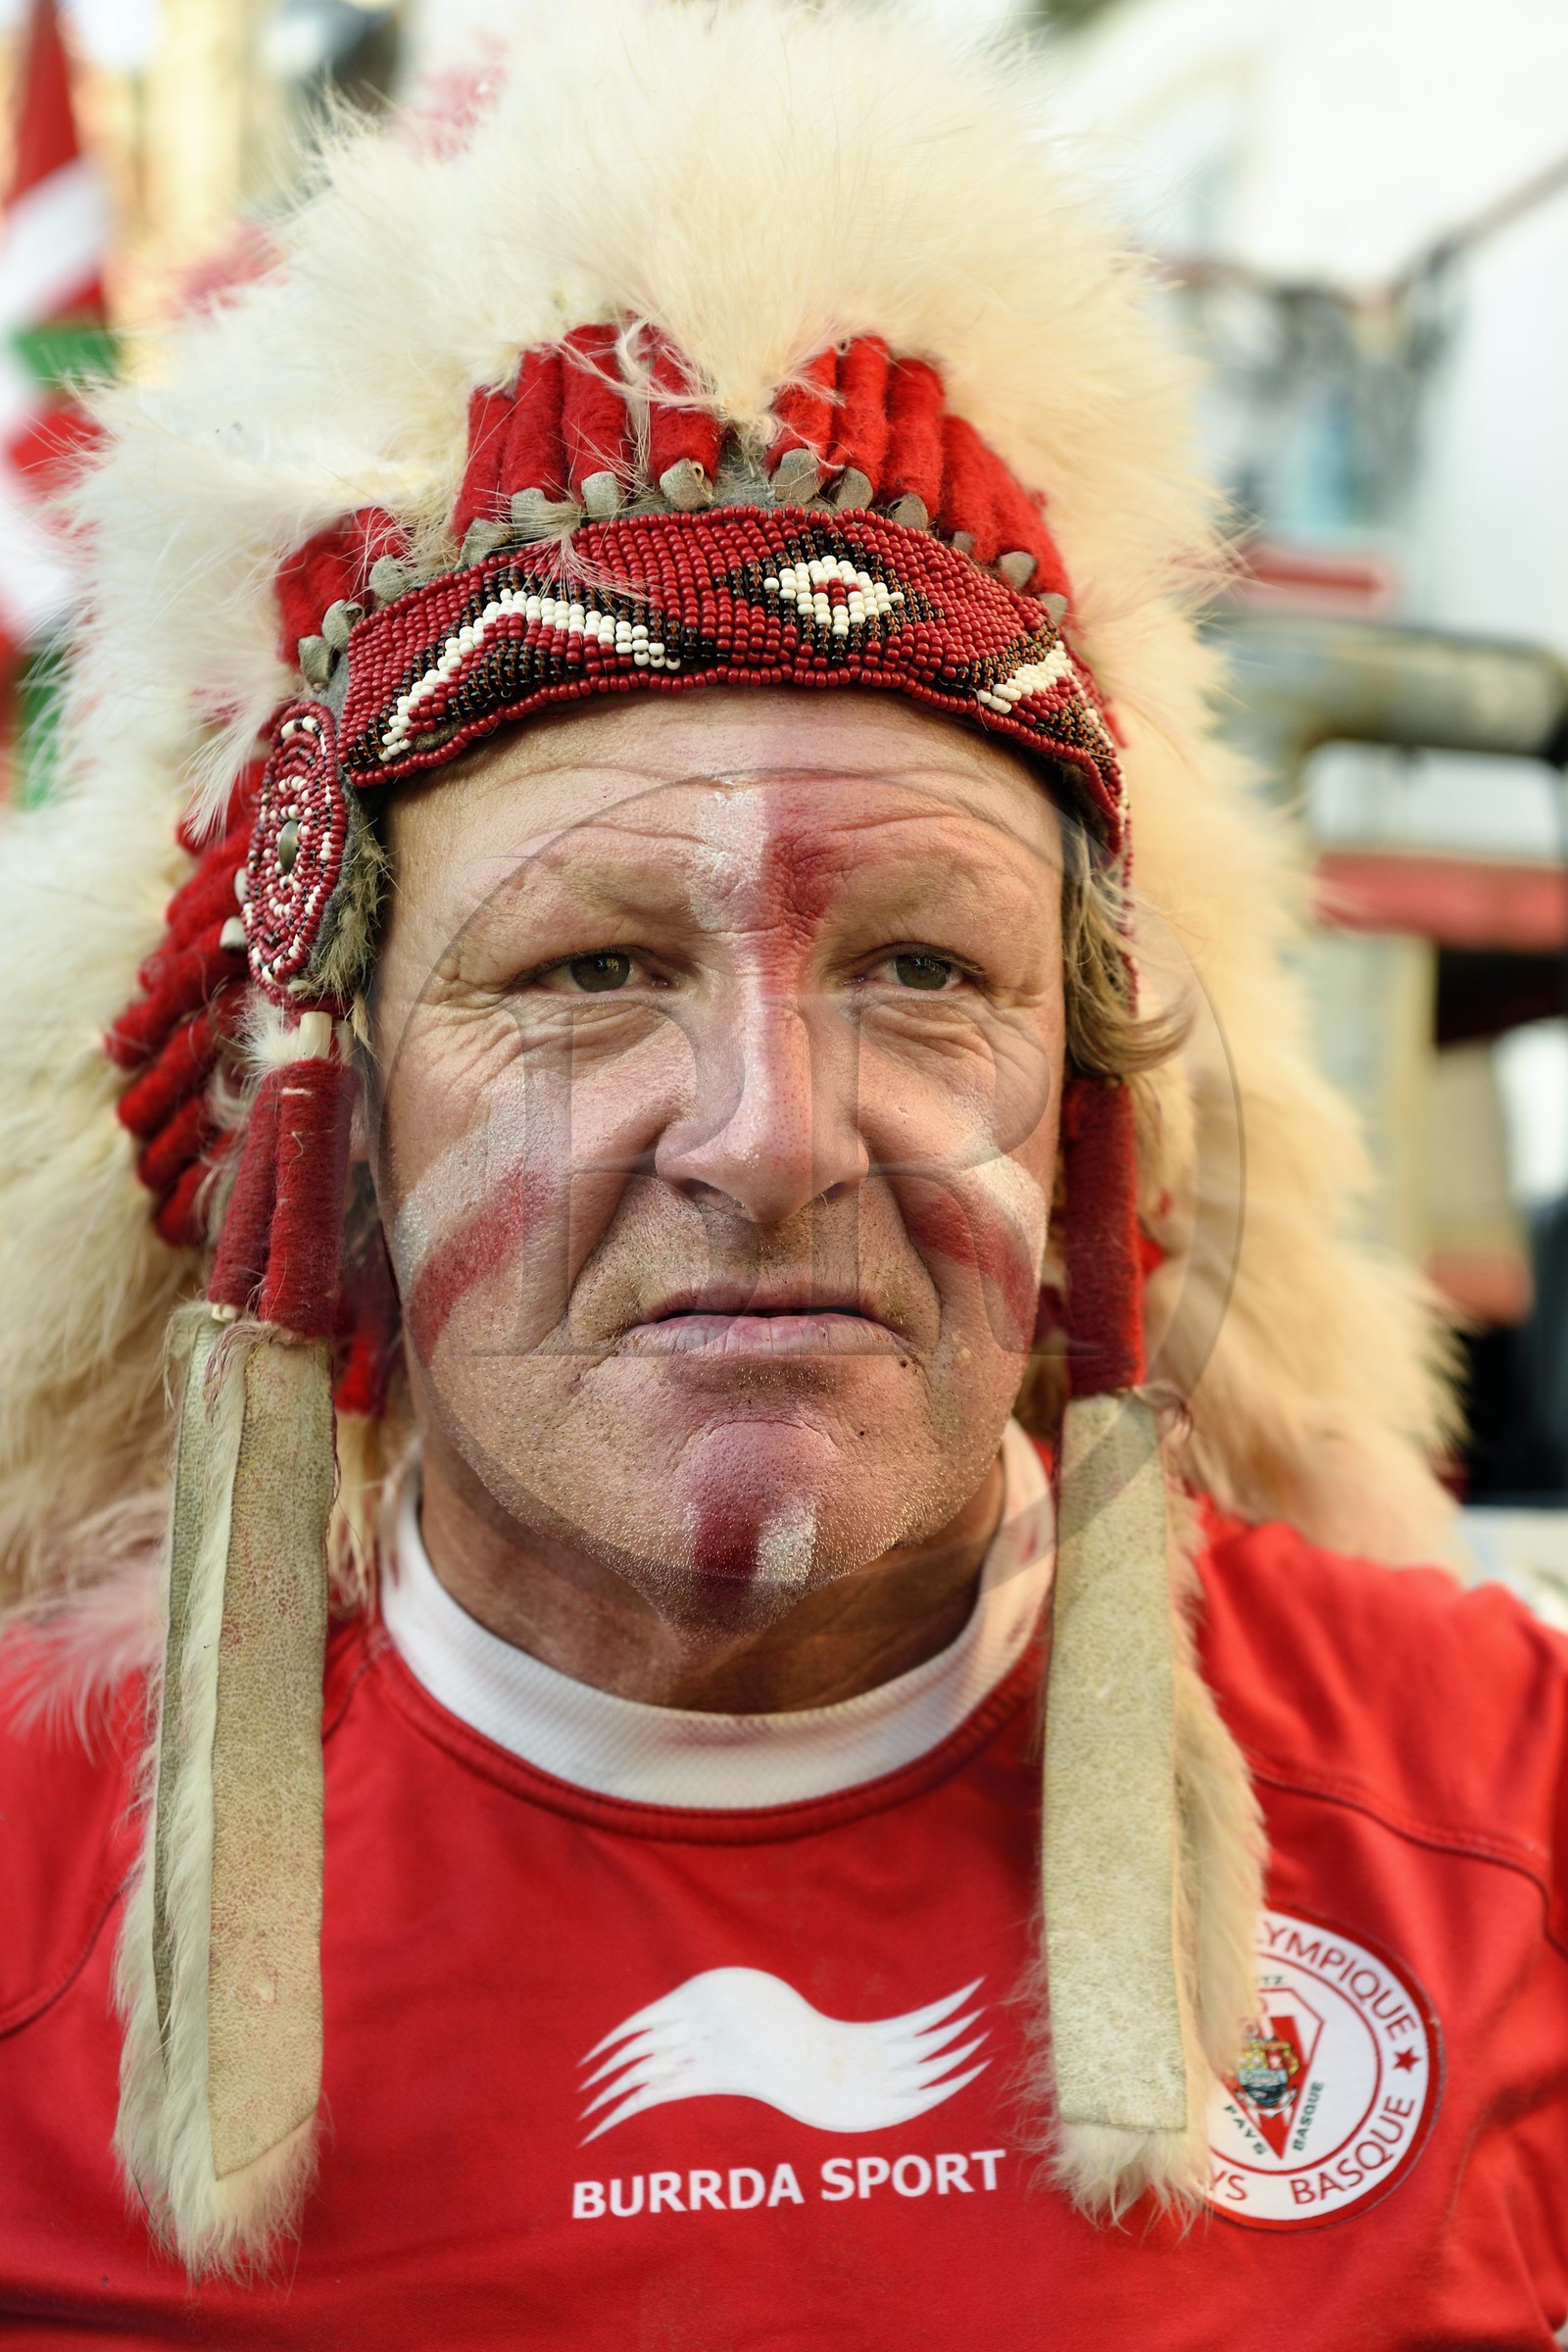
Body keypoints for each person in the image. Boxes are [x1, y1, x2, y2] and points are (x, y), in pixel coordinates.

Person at [2, 4, 1566, 2344]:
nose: (766, 1131)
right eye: (585, 971)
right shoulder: (31, 1893)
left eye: (923, 968)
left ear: (1085, 1095)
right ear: (317, 1119)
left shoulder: (1492, 1812)